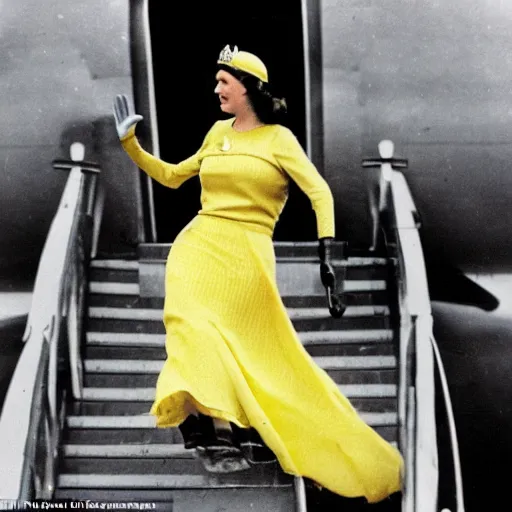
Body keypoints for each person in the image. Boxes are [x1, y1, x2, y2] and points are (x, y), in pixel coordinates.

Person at [113, 45, 403, 504]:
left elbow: (320, 193)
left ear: (248, 85)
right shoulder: (215, 132)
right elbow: (172, 177)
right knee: (189, 327)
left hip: (248, 253)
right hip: (199, 246)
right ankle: (211, 428)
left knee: (259, 355)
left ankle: (245, 431)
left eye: (224, 81)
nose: (216, 88)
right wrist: (131, 144)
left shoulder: (278, 140)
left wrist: (328, 258)